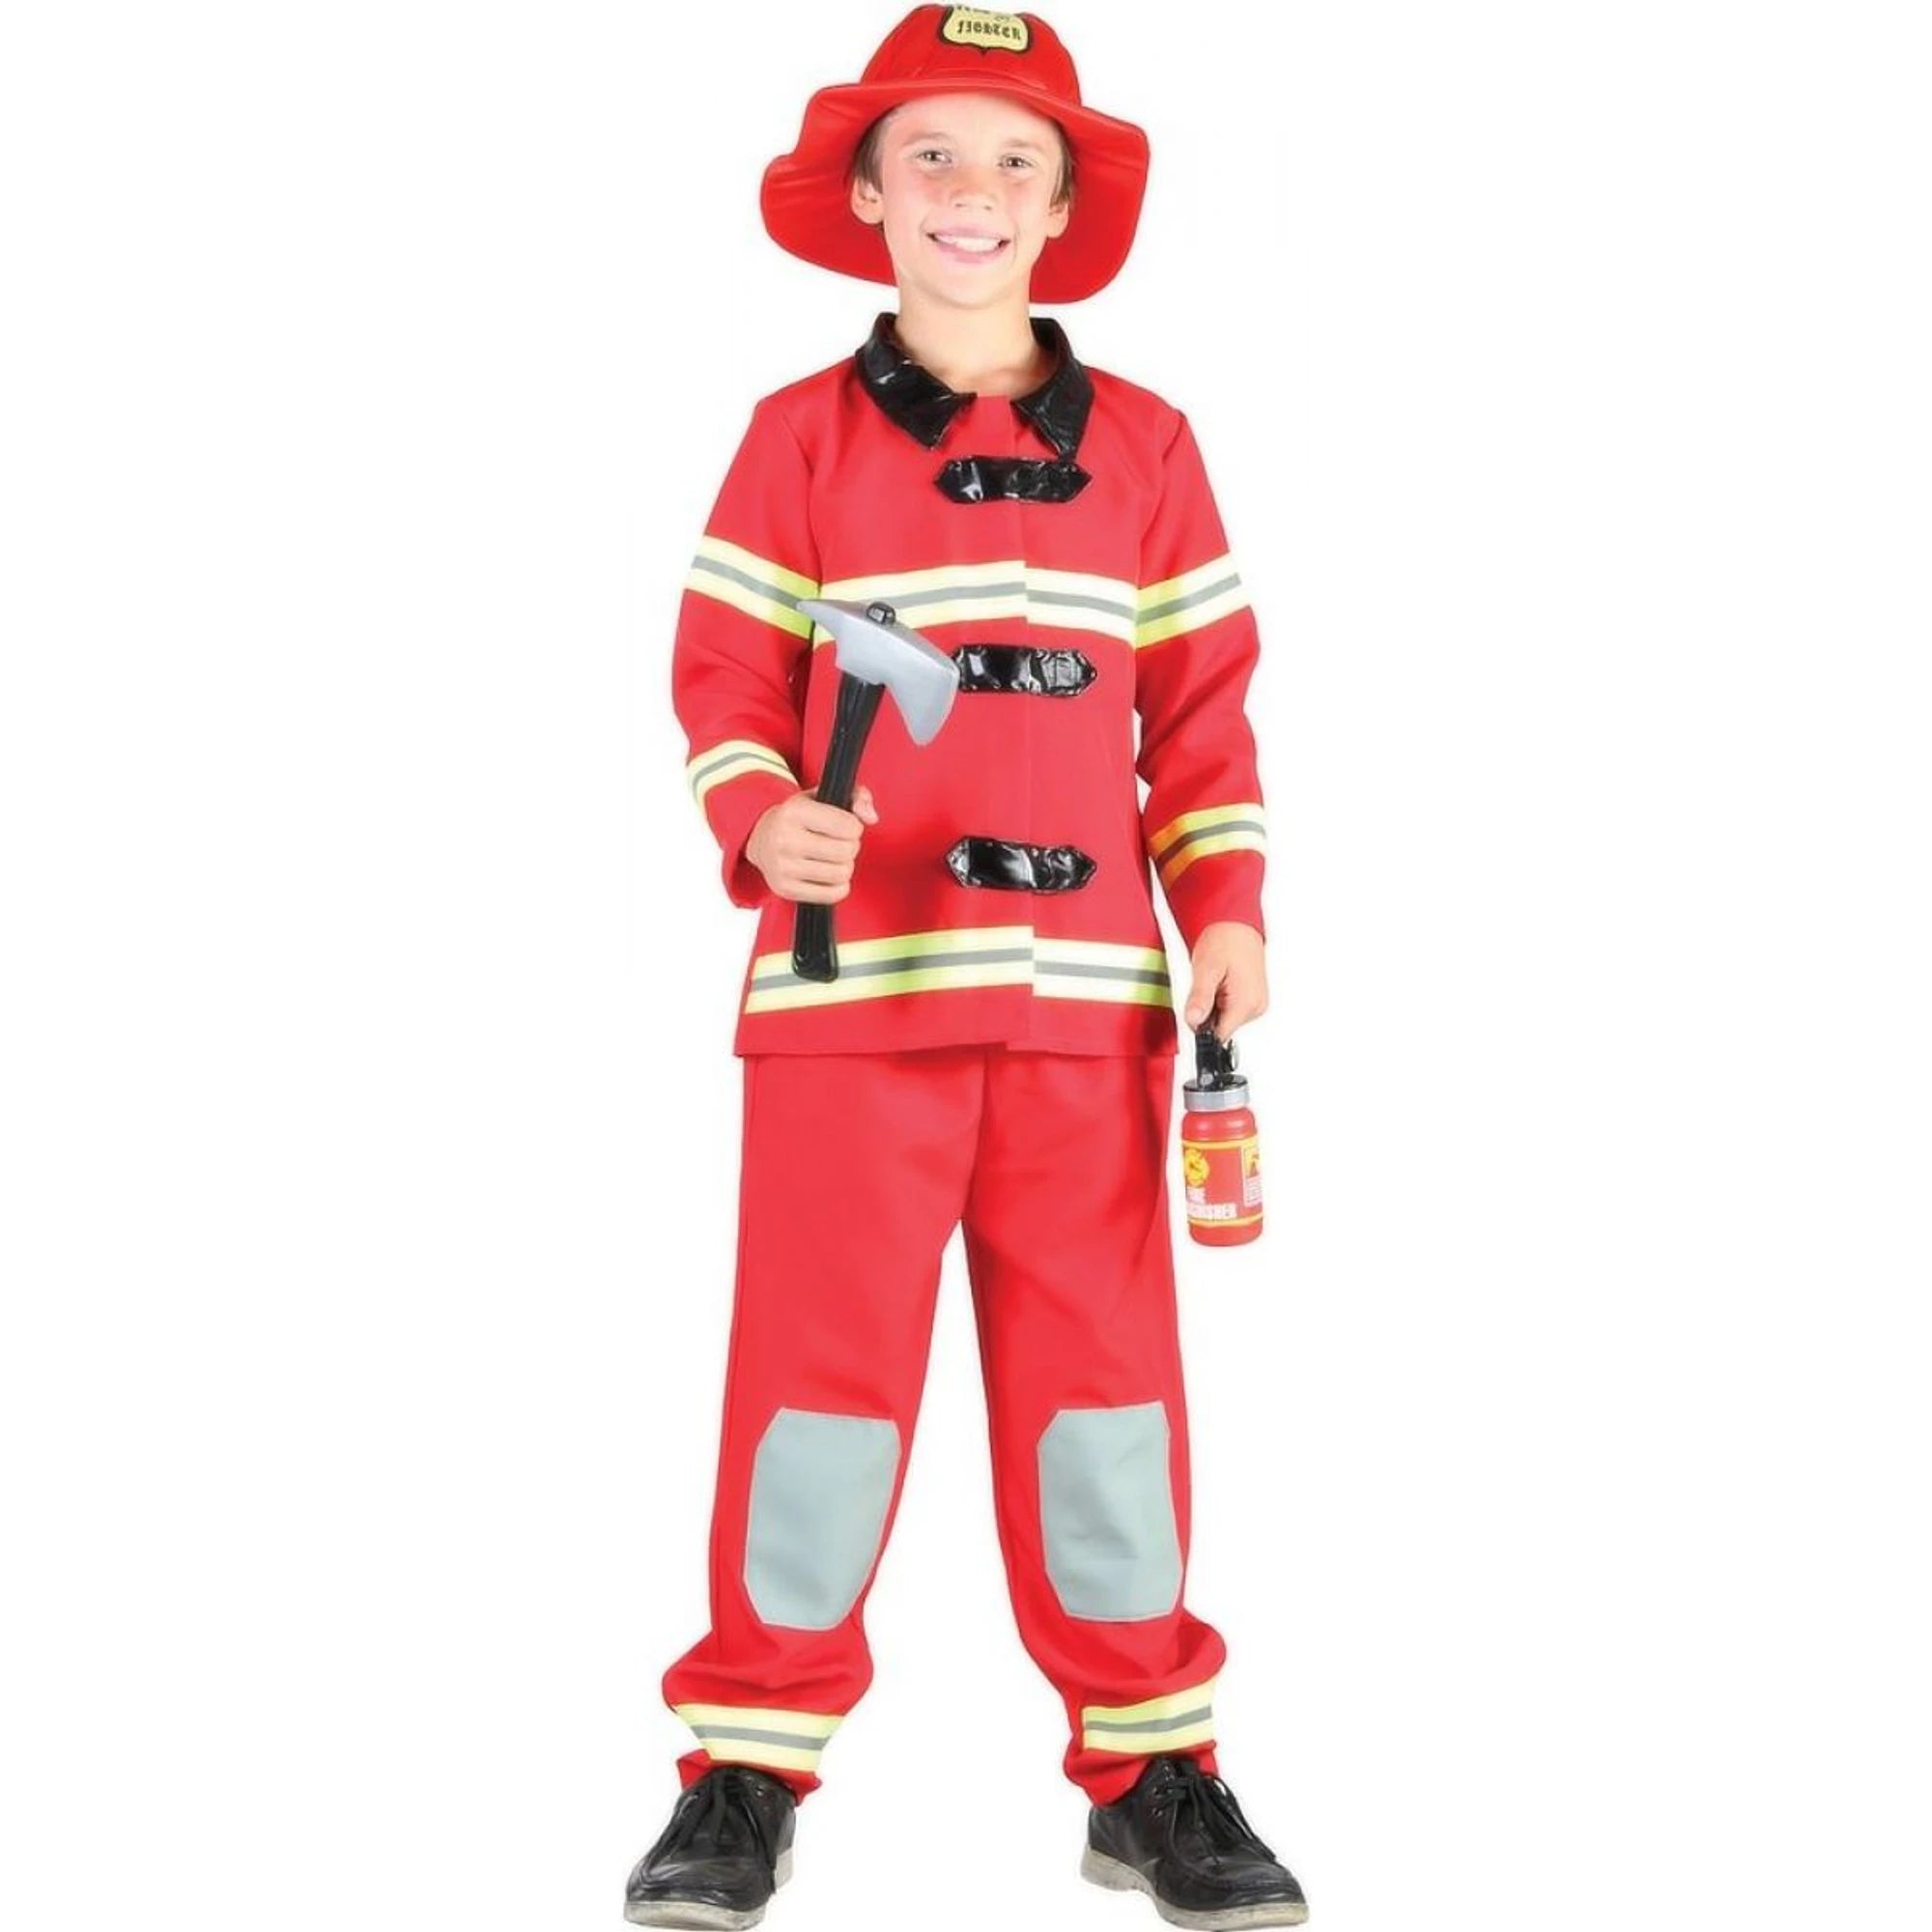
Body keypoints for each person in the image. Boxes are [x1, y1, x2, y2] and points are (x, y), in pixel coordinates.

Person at [626, 9, 1305, 1927]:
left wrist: (1225, 902)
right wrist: (763, 814)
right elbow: (721, 677)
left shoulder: (1151, 450)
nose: (972, 192)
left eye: (1016, 161)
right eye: (929, 153)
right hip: (852, 1006)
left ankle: (1151, 1761)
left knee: (1107, 1397)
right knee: (815, 1389)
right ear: (865, 191)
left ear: (1063, 207)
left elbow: (1203, 710)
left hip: (1091, 1013)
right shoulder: (798, 439)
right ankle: (746, 1761)